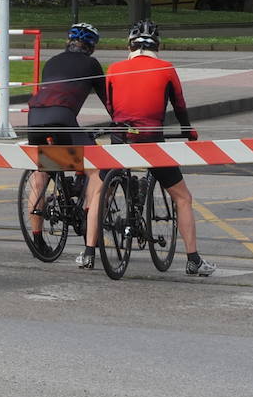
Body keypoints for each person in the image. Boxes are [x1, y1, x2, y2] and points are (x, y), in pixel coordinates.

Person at [104, 20, 216, 277]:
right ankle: (193, 260)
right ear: (157, 45)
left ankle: (89, 250)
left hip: (121, 137)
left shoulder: (114, 68)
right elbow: (179, 104)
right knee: (182, 197)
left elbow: (111, 107)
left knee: (103, 188)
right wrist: (188, 129)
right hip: (151, 139)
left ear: (129, 45)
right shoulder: (166, 68)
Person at [25, 23, 108, 268]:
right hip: (62, 118)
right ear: (91, 46)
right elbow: (108, 101)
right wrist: (120, 121)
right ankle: (86, 214)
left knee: (43, 172)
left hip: (34, 118)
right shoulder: (91, 65)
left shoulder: (51, 62)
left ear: (68, 42)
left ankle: (37, 239)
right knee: (95, 167)